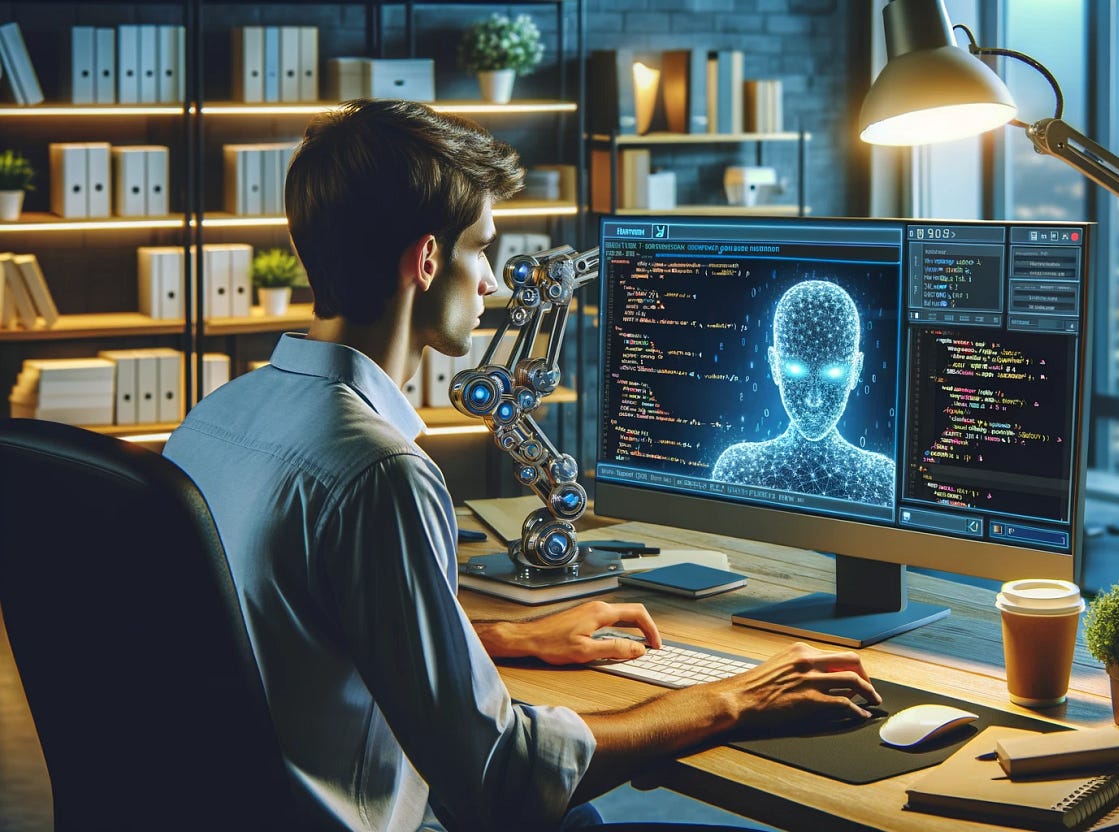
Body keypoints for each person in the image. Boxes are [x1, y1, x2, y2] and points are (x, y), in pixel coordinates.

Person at [163, 99, 879, 831]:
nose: (494, 286)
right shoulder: (379, 472)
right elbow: (499, 778)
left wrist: (501, 639)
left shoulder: (213, 420)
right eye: (481, 250)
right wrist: (732, 698)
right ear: (428, 260)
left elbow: (299, 630)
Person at [712, 280, 895, 506]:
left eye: (834, 373)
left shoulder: (882, 479)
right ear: (774, 366)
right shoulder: (737, 468)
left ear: (856, 370)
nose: (814, 399)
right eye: (796, 371)